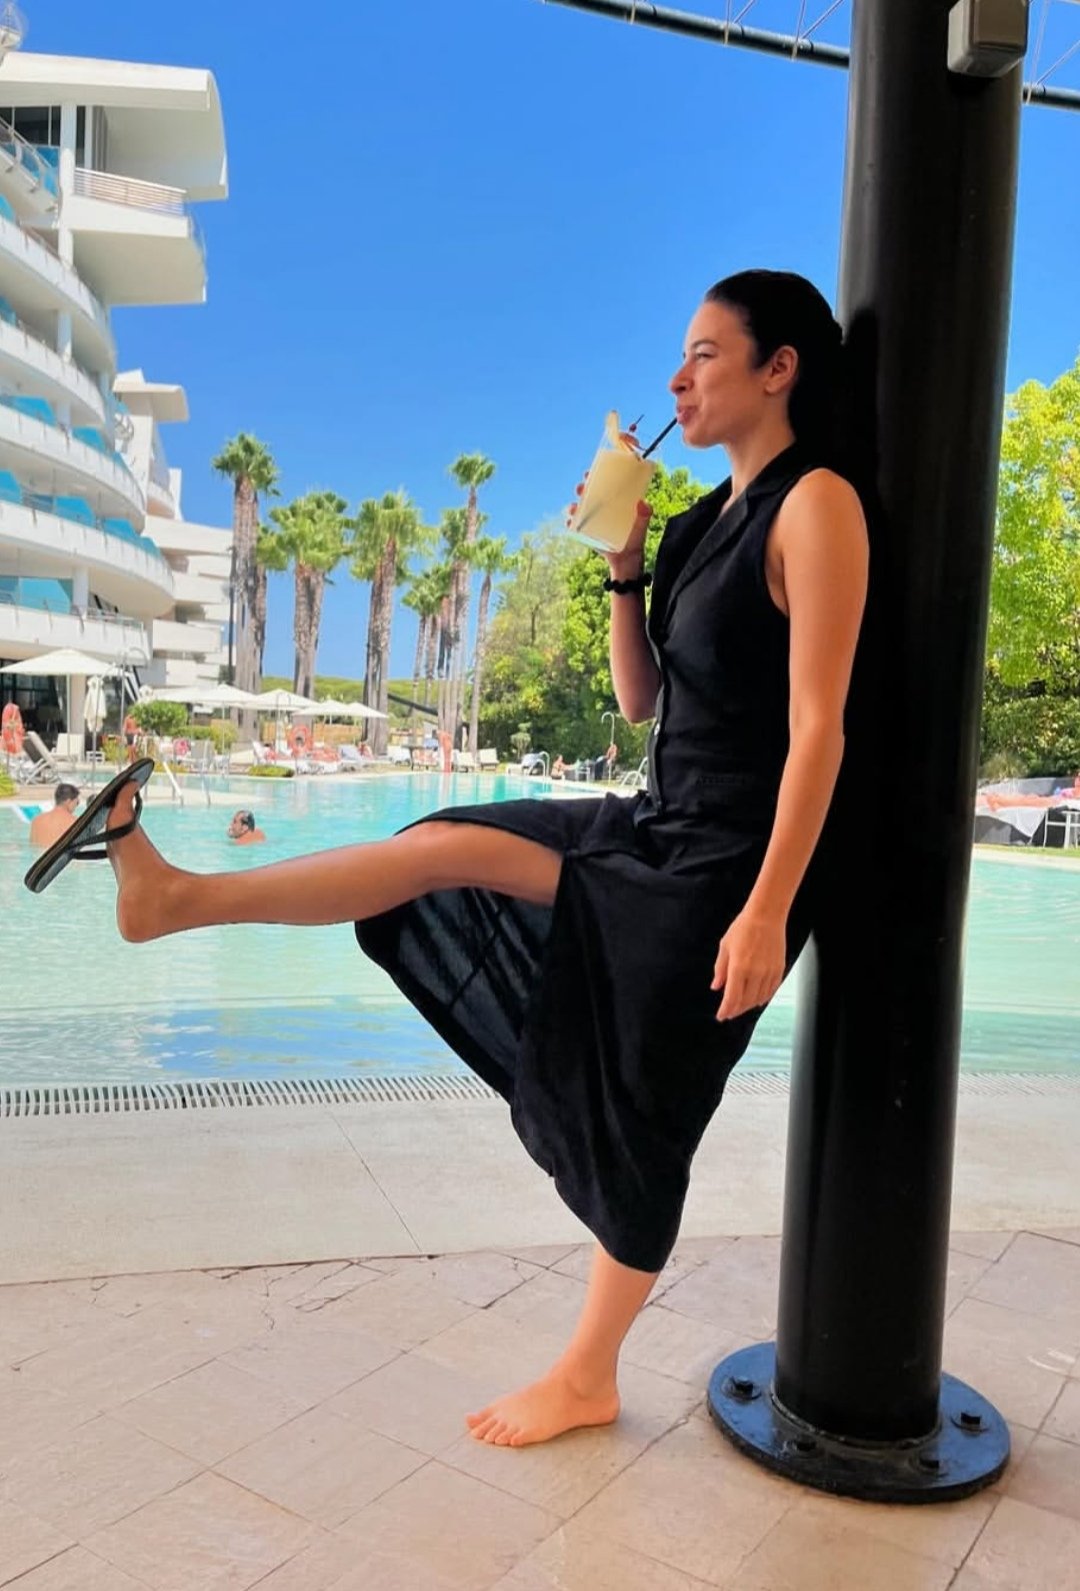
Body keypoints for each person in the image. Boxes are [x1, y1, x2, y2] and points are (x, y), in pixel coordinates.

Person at [26, 270, 868, 1452]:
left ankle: (586, 1375)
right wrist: (625, 558)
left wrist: (769, 908)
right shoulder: (696, 527)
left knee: (647, 1103)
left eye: (706, 355)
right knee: (434, 846)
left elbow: (822, 727)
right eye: (681, 357)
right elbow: (641, 700)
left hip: (726, 868)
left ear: (779, 369)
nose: (678, 381)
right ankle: (171, 897)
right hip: (650, 822)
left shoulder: (816, 506)